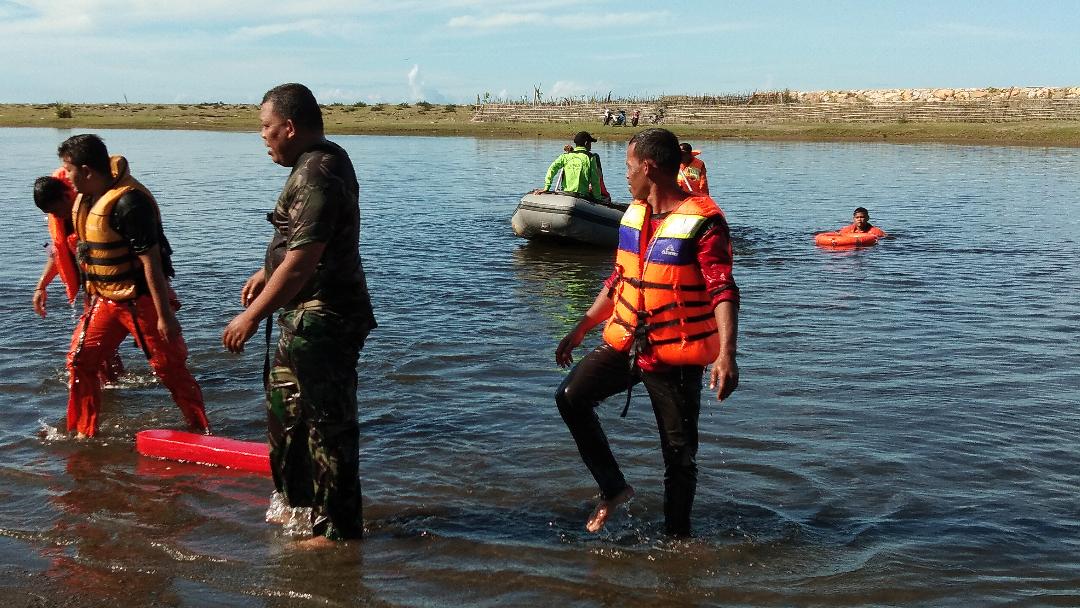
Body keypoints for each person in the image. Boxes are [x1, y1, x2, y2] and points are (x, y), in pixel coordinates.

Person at [554, 128, 740, 537]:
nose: (626, 175)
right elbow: (621, 279)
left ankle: (677, 538)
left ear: (648, 168)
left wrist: (727, 353)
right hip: (627, 344)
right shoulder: (634, 215)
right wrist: (584, 325)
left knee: (678, 455)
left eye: (628, 166)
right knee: (571, 396)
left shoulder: (704, 223)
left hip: (676, 352)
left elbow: (722, 287)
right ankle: (614, 488)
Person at [222, 83, 377, 547]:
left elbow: (304, 259)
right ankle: (301, 508)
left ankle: (339, 531)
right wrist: (264, 271)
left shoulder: (318, 173)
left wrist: (251, 316)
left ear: (289, 127)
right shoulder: (321, 160)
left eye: (266, 128)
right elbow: (301, 243)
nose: (263, 137)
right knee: (288, 413)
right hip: (305, 314)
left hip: (325, 318)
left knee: (327, 424)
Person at [57, 134, 209, 438]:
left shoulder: (129, 202)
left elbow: (151, 261)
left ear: (86, 170)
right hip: (106, 300)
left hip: (142, 300)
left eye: (69, 169)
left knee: (169, 368)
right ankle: (83, 433)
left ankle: (200, 429)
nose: (66, 176)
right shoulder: (87, 199)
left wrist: (166, 315)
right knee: (80, 362)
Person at [32, 173, 125, 384]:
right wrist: (41, 287)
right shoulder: (61, 218)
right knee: (102, 348)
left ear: (67, 196)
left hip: (109, 285)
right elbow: (59, 254)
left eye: (56, 210)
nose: (57, 215)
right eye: (51, 213)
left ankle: (110, 386)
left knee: (93, 345)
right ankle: (113, 384)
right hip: (89, 287)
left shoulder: (93, 210)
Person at [535, 131, 603, 201]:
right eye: (590, 143)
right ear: (586, 143)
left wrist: (547, 187)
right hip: (582, 196)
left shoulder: (565, 156)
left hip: (565, 195)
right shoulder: (590, 158)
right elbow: (595, 181)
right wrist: (598, 199)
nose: (591, 147)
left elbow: (552, 169)